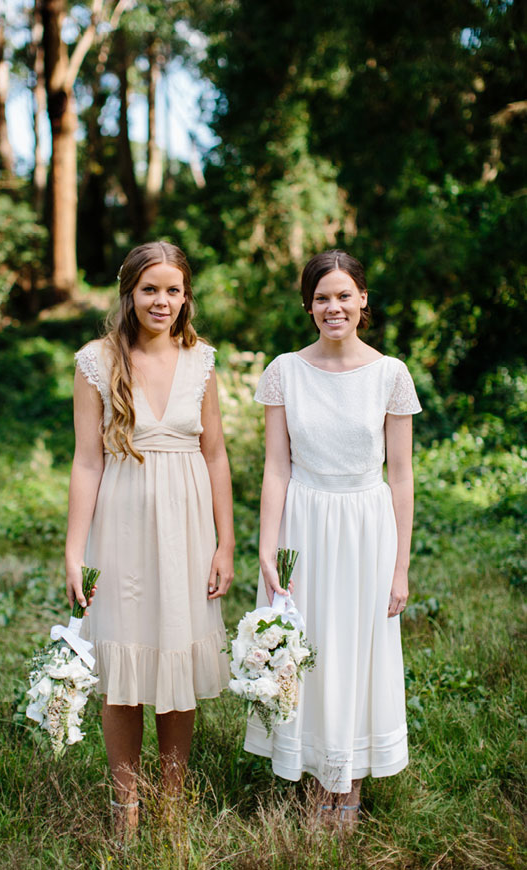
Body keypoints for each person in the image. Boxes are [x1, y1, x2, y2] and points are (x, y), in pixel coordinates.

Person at [244, 249, 421, 829]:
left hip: (367, 526)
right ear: (308, 305)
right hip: (304, 523)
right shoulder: (284, 371)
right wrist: (268, 548)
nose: (333, 306)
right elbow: (276, 467)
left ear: (363, 300)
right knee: (308, 645)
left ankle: (349, 786)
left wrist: (400, 567)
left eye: (344, 295)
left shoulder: (390, 374)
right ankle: (314, 772)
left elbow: (401, 477)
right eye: (322, 297)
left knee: (357, 648)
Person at [65, 241, 234, 835]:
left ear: (186, 296)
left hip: (187, 528)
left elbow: (215, 456)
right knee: (125, 661)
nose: (161, 300)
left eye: (173, 289)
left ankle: (173, 799)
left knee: (178, 659)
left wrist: (225, 543)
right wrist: (74, 551)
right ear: (129, 293)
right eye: (150, 289)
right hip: (122, 524)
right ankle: (125, 804)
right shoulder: (96, 362)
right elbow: (87, 462)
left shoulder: (202, 362)